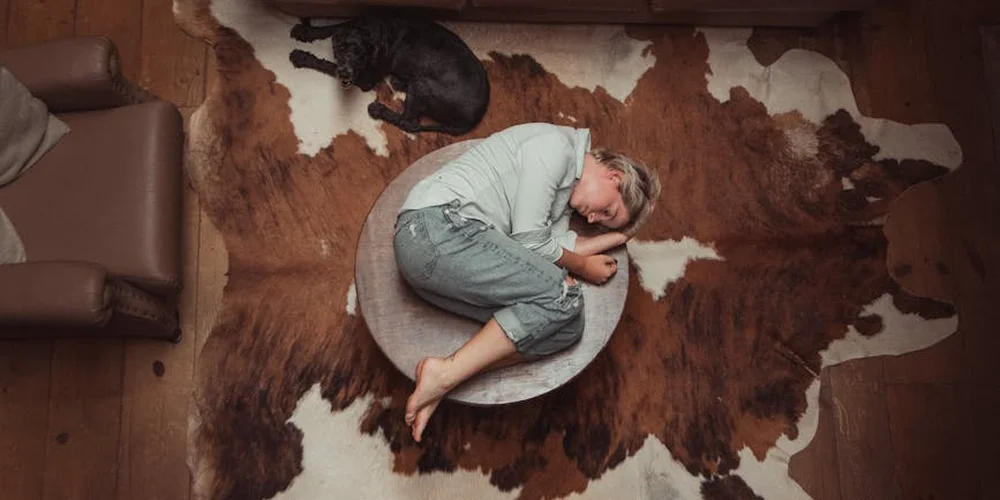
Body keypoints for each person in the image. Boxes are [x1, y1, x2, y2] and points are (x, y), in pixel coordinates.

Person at [393, 122, 661, 442]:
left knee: (567, 330)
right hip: (435, 228)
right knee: (565, 296)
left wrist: (619, 236)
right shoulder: (555, 148)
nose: (592, 220)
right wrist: (584, 268)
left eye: (602, 222)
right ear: (614, 176)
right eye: (607, 210)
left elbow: (554, 248)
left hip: (437, 266)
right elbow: (533, 245)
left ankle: (448, 374)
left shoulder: (560, 201)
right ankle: (445, 374)